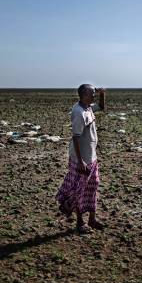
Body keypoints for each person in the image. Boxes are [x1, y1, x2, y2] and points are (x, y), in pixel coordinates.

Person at [56, 84, 106, 233]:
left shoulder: (88, 107)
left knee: (93, 185)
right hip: (81, 158)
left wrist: (102, 94)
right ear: (84, 95)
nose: (94, 96)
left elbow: (101, 107)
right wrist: (80, 161)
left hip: (91, 156)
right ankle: (79, 222)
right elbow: (76, 138)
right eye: (92, 94)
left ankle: (92, 219)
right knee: (80, 189)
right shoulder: (78, 112)